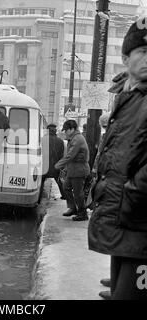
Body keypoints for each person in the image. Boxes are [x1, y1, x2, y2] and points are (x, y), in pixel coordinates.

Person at [88, 19, 147, 300]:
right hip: (125, 220)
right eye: (144, 52)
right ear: (126, 58)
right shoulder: (130, 96)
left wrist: (132, 193)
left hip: (139, 217)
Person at [54, 119, 90, 221]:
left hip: (79, 170)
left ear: (72, 129)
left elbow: (70, 156)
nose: (65, 132)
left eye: (66, 130)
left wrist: (58, 165)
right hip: (73, 169)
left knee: (78, 193)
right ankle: (73, 208)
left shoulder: (77, 139)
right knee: (66, 187)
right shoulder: (74, 138)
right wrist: (65, 168)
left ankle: (83, 213)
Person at [39, 124, 66, 203]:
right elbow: (61, 155)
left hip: (44, 167)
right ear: (55, 131)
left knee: (40, 183)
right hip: (55, 167)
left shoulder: (42, 139)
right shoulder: (60, 141)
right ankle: (64, 195)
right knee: (59, 181)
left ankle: (39, 197)